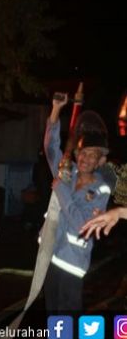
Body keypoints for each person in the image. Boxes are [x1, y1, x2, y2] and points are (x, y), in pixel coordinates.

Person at [42, 93, 111, 312]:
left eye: (93, 155)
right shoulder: (67, 173)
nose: (85, 158)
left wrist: (60, 188)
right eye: (83, 153)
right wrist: (55, 110)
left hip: (72, 264)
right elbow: (51, 149)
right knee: (52, 314)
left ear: (100, 161)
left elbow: (81, 223)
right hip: (51, 255)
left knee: (69, 320)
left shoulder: (100, 190)